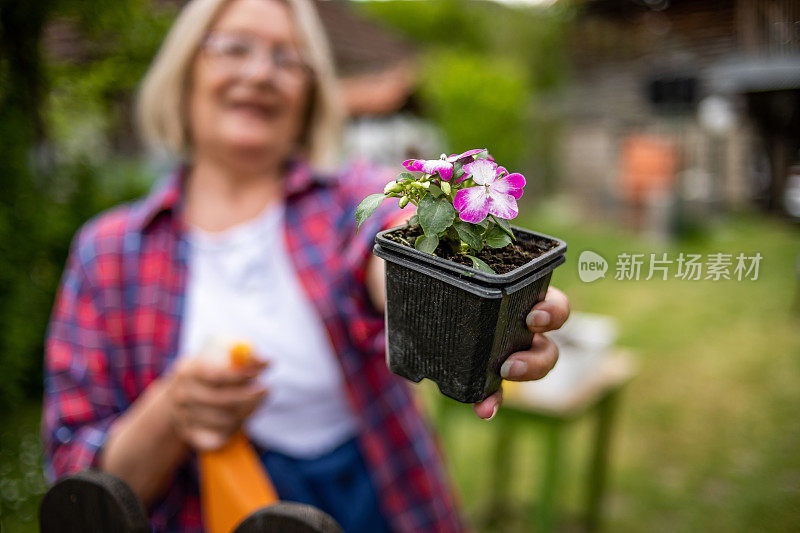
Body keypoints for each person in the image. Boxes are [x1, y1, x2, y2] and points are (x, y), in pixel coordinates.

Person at [41, 0, 571, 531]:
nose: (259, 73)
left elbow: (384, 235)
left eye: (287, 58)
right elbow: (78, 479)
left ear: (311, 93)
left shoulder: (344, 199)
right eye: (233, 47)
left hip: (380, 497)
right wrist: (173, 411)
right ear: (184, 72)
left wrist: (468, 304)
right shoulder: (109, 251)